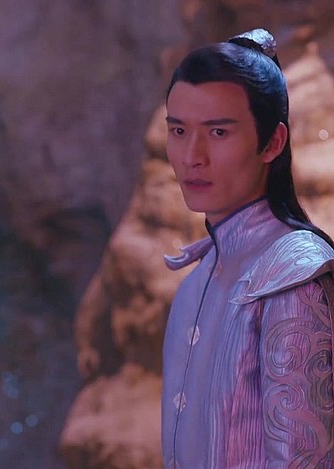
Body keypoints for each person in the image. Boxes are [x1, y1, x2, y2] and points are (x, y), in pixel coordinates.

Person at [162, 28, 334, 467]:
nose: (192, 156)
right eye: (178, 130)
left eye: (218, 132)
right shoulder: (198, 277)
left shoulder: (294, 276)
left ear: (272, 142)